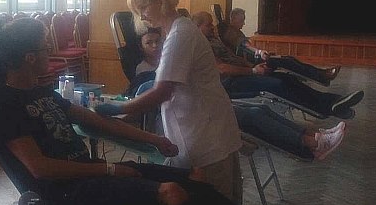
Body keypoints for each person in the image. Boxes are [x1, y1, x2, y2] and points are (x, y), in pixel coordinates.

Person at [0, 17, 332, 205]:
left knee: (195, 178)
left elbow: (96, 122)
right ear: (30, 57)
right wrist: (110, 170)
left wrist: (153, 139)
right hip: (64, 192)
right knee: (171, 194)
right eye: (45, 47)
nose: (50, 52)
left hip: (92, 174)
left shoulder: (45, 93)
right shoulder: (4, 106)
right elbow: (40, 169)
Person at [95, 0, 244, 204]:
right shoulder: (179, 30)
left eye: (144, 8)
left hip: (206, 135)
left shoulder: (179, 35)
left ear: (160, 1)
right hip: (207, 129)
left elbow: (163, 91)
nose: (142, 16)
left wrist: (120, 108)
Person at [133, 25, 347, 161]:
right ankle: (312, 144)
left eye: (157, 41)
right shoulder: (143, 70)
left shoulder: (174, 56)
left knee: (261, 108)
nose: (155, 45)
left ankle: (315, 136)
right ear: (141, 47)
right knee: (254, 114)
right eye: (149, 43)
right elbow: (152, 96)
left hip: (205, 102)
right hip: (191, 117)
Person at [191, 11, 365, 120]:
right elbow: (221, 68)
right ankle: (327, 104)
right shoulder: (200, 44)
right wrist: (253, 70)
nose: (212, 27)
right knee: (278, 83)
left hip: (244, 72)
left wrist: (251, 66)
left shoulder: (212, 39)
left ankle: (333, 101)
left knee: (286, 78)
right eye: (208, 25)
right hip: (231, 83)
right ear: (197, 27)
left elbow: (233, 57)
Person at [221, 7, 340, 87]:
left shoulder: (235, 31)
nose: (244, 23)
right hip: (250, 63)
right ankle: (322, 75)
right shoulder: (230, 33)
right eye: (241, 20)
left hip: (250, 60)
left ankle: (321, 74)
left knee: (288, 59)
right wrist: (259, 51)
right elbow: (245, 45)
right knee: (286, 61)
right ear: (233, 19)